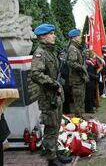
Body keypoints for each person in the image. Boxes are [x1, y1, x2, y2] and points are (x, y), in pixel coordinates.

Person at [31, 23, 65, 166]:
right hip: (47, 98)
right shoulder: (40, 53)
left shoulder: (50, 51)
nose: (54, 35)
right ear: (43, 37)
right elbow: (35, 74)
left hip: (55, 96)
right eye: (51, 33)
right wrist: (54, 83)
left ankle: (55, 153)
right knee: (51, 128)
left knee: (56, 127)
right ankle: (51, 159)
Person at [67, 29, 89, 116]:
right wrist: (82, 67)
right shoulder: (73, 48)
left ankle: (81, 119)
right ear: (75, 37)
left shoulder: (76, 48)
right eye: (79, 36)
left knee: (81, 101)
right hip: (76, 80)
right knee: (78, 101)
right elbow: (72, 63)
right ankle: (79, 120)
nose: (81, 37)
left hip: (79, 79)